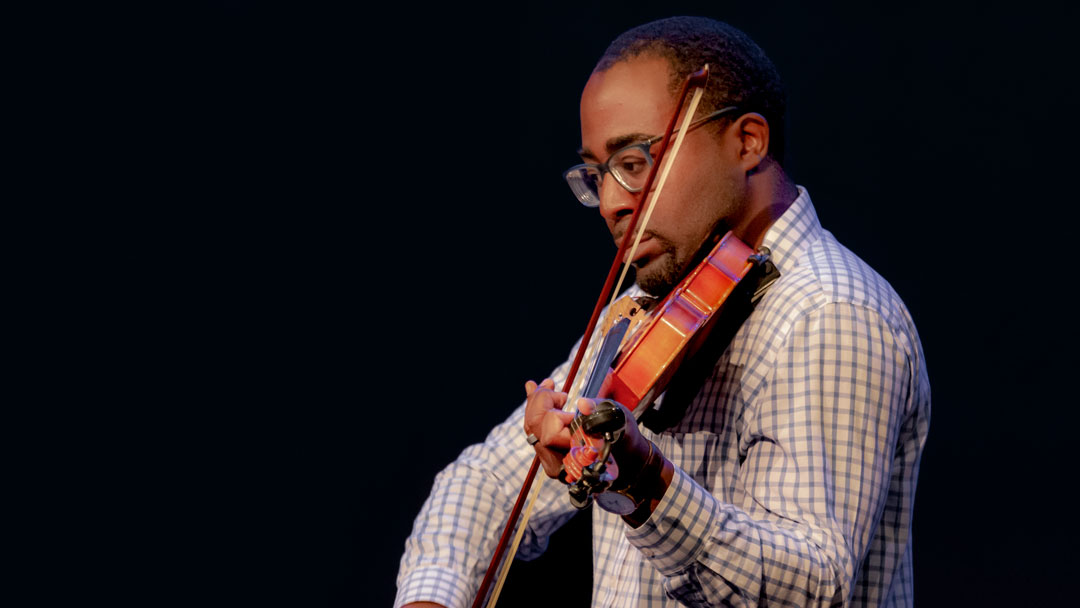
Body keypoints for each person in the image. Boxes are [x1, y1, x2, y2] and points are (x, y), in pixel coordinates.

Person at [395, 16, 930, 608]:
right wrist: (431, 598)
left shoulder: (829, 312)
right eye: (596, 174)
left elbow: (810, 586)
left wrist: (645, 481)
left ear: (748, 142)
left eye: (634, 162)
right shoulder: (647, 310)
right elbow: (486, 483)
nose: (610, 203)